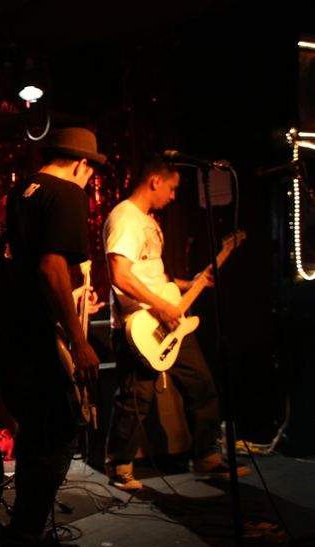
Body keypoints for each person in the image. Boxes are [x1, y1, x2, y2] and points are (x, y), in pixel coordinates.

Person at [0, 127, 104, 547]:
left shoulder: (16, 194)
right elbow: (50, 269)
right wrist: (80, 341)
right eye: (91, 171)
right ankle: (21, 541)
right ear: (82, 164)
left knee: (37, 431)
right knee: (58, 431)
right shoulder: (67, 193)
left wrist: (69, 297)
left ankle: (31, 535)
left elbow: (21, 268)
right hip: (28, 335)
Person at [103, 155, 250, 491]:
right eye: (171, 188)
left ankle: (206, 456)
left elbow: (154, 277)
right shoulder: (124, 217)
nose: (173, 196)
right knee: (135, 398)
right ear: (155, 181)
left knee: (202, 385)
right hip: (139, 325)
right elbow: (120, 275)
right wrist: (161, 307)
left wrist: (190, 283)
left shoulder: (149, 222)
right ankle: (119, 464)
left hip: (169, 320)